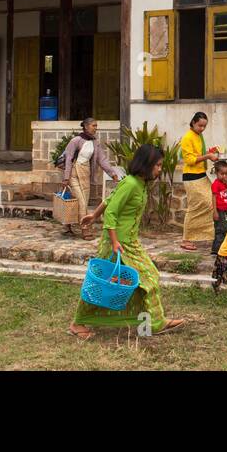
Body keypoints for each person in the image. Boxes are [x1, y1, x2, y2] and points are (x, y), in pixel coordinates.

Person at [69, 144, 184, 339]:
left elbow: (110, 198)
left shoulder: (139, 183)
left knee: (146, 279)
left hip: (129, 242)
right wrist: (113, 242)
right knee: (103, 283)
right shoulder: (131, 183)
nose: (159, 169)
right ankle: (77, 323)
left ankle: (151, 322)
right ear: (146, 164)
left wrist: (93, 215)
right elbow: (112, 212)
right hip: (117, 243)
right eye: (157, 165)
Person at [60, 116, 121, 239]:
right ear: (86, 127)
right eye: (93, 126)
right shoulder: (76, 141)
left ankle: (67, 225)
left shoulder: (94, 142)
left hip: (85, 174)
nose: (95, 128)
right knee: (82, 202)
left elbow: (102, 159)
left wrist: (113, 173)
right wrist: (66, 178)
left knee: (81, 201)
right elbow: (68, 159)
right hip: (74, 174)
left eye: (96, 126)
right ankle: (85, 229)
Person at [177, 112, 218, 251]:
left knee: (213, 201)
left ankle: (207, 235)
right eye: (200, 125)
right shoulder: (187, 137)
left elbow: (199, 154)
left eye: (204, 126)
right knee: (195, 207)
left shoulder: (198, 136)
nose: (202, 128)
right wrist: (207, 156)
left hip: (201, 175)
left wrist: (211, 152)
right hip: (192, 177)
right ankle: (186, 239)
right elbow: (189, 160)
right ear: (193, 122)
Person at [210, 159, 227, 254]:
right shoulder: (215, 184)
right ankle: (216, 250)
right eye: (222, 174)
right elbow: (214, 198)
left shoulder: (225, 183)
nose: (224, 176)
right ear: (216, 173)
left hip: (226, 210)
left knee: (226, 228)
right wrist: (215, 211)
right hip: (219, 210)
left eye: (226, 174)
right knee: (220, 229)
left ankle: (223, 247)